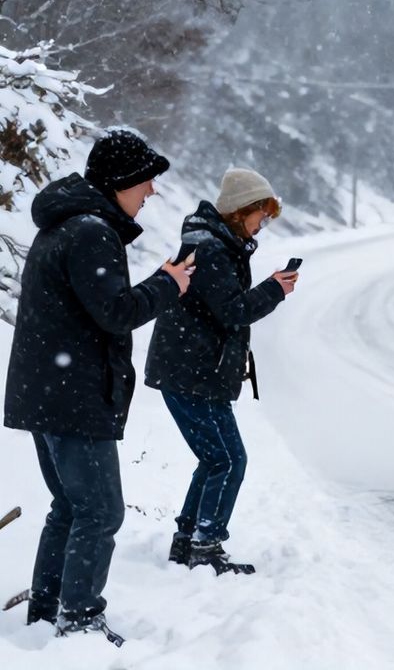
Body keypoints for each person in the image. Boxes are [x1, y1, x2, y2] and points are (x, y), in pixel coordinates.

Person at [4, 129, 190, 640]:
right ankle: (80, 621)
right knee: (100, 512)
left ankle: (47, 613)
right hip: (73, 396)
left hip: (50, 393)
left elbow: (97, 308)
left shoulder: (69, 224)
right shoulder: (90, 231)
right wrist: (168, 284)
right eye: (146, 180)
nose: (151, 190)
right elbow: (115, 312)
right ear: (121, 182)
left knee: (70, 507)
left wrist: (160, 281)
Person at [146, 168, 297, 573]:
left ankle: (188, 541)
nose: (263, 225)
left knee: (217, 459)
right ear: (241, 210)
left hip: (195, 372)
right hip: (191, 373)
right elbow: (233, 311)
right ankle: (205, 546)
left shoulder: (219, 244)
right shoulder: (212, 249)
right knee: (228, 460)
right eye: (262, 216)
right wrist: (274, 290)